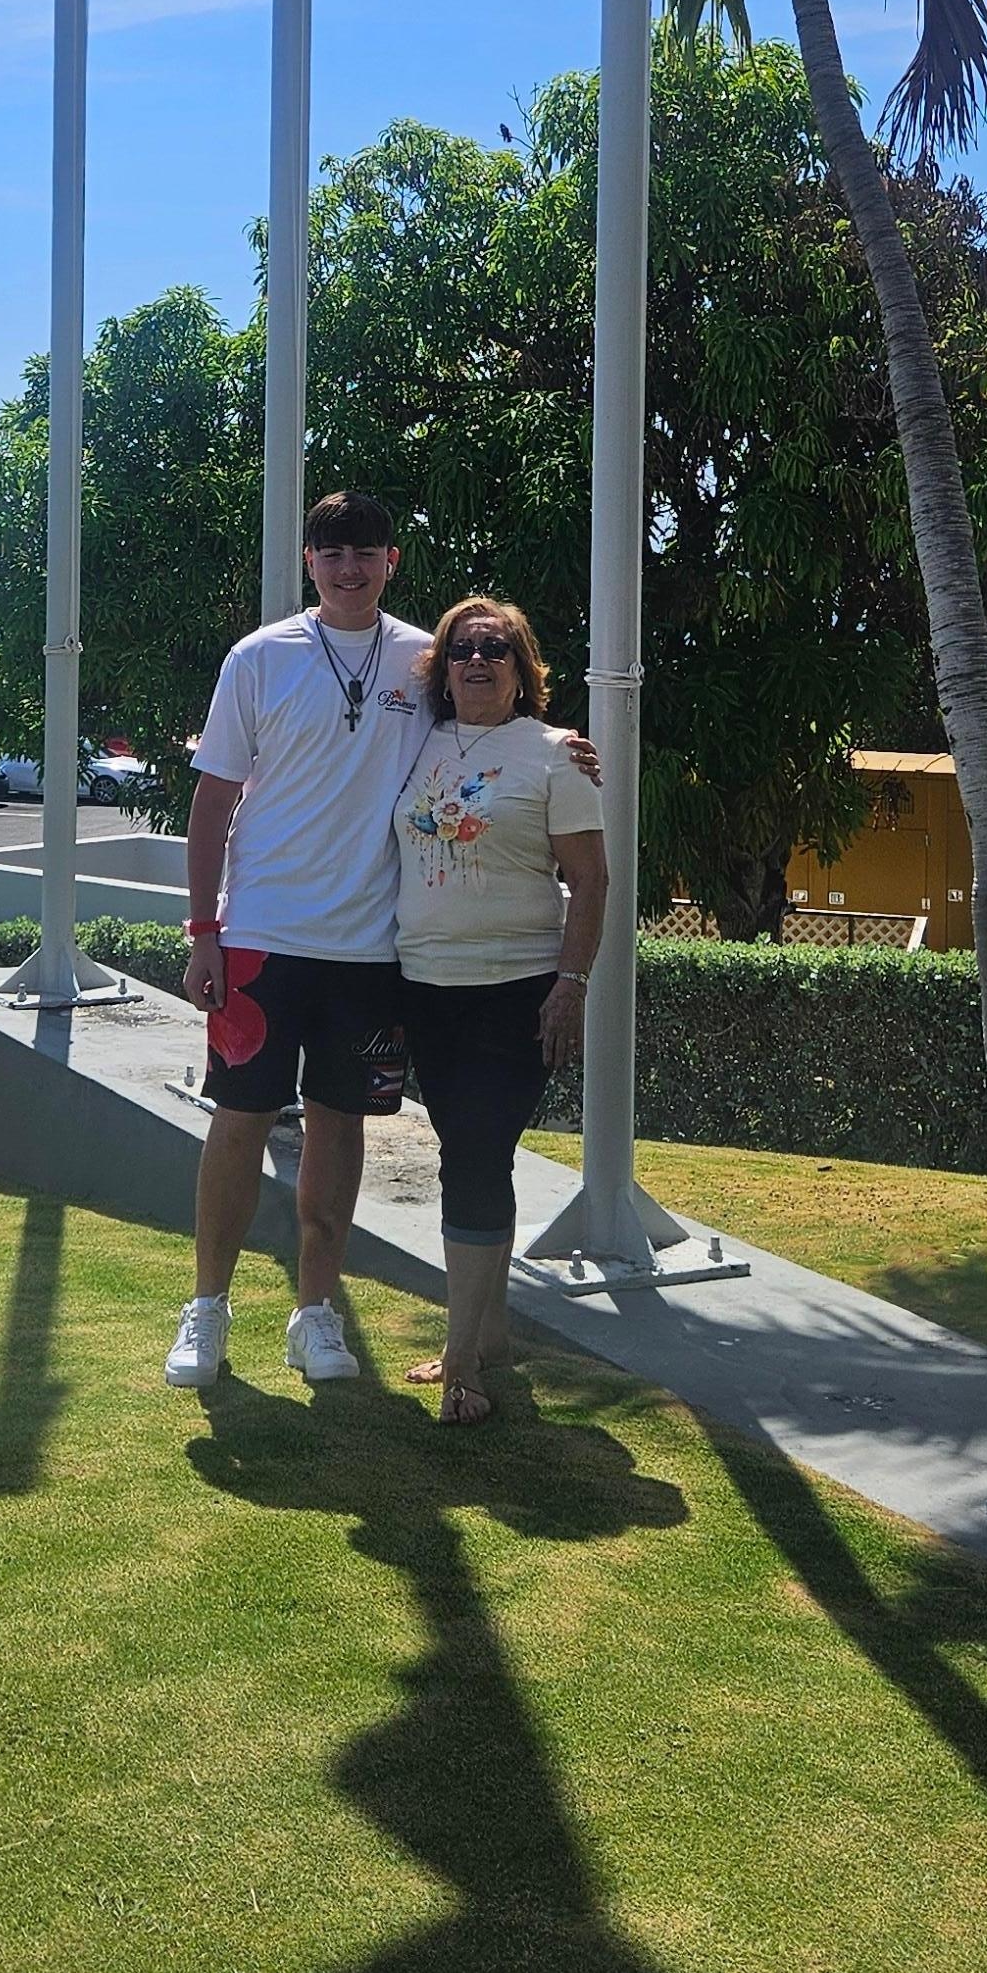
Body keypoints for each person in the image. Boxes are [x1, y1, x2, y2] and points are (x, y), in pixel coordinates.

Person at [166, 493, 436, 1391]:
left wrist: (563, 751)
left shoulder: (424, 659)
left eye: (365, 551)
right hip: (262, 938)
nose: (349, 567)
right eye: (332, 552)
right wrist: (204, 930)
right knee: (238, 1121)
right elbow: (213, 801)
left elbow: (490, 730)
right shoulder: (258, 658)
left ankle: (316, 1315)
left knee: (339, 1125)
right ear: (309, 563)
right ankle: (206, 1309)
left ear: (391, 559)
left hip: (371, 945)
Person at [389, 598, 607, 1425]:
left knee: (473, 1158)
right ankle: (494, 1334)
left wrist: (571, 984)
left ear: (524, 669)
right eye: (463, 650)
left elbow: (591, 881)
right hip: (424, 986)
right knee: (473, 1152)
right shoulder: (413, 743)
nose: (478, 662)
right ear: (442, 668)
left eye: (497, 650)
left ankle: (460, 1365)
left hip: (518, 992)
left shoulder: (555, 756)